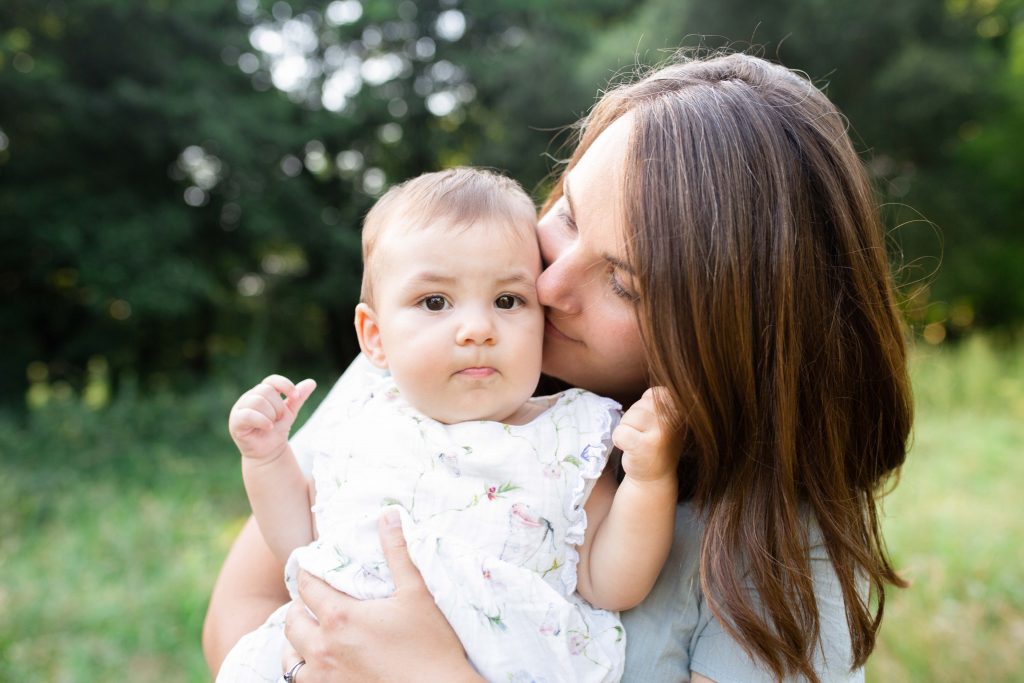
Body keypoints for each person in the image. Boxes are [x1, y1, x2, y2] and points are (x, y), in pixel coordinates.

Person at [204, 52, 913, 682]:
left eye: (624, 283)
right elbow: (245, 603)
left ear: (730, 333)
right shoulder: (423, 371)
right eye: (569, 216)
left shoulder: (781, 554)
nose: (545, 286)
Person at [215, 168, 679, 682]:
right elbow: (301, 540)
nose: (477, 329)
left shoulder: (568, 439)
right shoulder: (365, 420)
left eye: (507, 301)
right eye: (435, 302)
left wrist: (649, 481)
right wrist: (267, 460)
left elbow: (610, 583)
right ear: (375, 337)